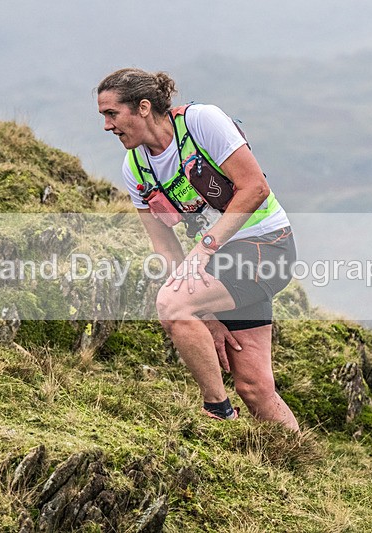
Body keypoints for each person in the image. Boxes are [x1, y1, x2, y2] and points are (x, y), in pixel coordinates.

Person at [96, 68, 299, 432]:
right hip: (222, 265)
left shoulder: (202, 122)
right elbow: (164, 246)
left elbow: (255, 189)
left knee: (170, 304)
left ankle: (217, 411)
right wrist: (204, 314)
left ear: (143, 107)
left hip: (267, 246)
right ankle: (305, 465)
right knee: (255, 387)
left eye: (112, 114)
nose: (107, 126)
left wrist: (204, 250)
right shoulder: (135, 168)